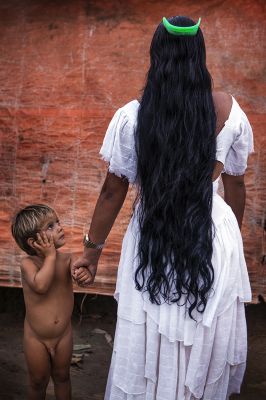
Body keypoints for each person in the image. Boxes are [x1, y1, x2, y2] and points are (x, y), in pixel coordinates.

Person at [73, 16, 254, 400]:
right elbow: (236, 184)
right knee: (201, 333)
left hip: (153, 235)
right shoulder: (231, 112)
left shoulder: (131, 116)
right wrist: (233, 244)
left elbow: (112, 191)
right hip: (213, 235)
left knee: (152, 329)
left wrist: (91, 251)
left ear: (157, 54)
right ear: (198, 54)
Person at [11, 204, 88, 400]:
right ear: (33, 241)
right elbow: (41, 286)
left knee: (63, 377)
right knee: (38, 382)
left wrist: (83, 275)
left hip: (63, 335)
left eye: (58, 222)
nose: (59, 227)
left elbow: (80, 276)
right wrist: (51, 256)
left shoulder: (67, 259)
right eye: (50, 226)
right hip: (36, 338)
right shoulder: (27, 264)